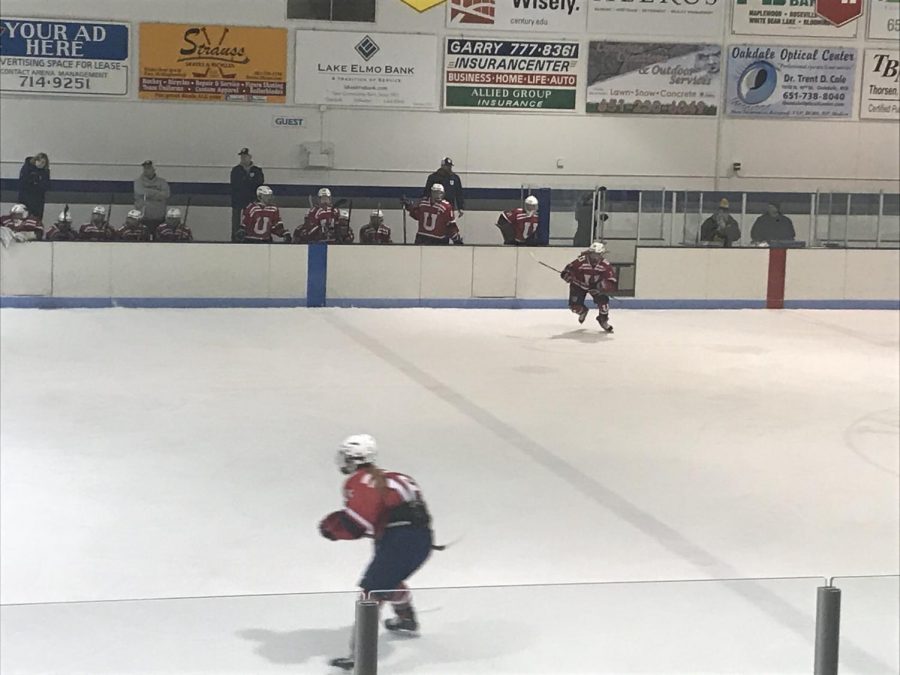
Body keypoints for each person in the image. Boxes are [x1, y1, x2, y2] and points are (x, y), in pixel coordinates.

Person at [319, 435, 434, 671]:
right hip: (422, 539)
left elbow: (355, 526)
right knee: (387, 582)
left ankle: (361, 655)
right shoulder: (400, 477)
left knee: (372, 593)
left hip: (399, 541)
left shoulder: (360, 482)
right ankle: (406, 620)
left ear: (352, 458)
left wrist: (332, 528)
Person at [561, 241, 618, 333]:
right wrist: (566, 275)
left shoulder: (605, 265)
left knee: (604, 303)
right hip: (578, 285)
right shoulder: (581, 261)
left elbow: (611, 279)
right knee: (575, 307)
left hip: (595, 287)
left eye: (597, 254)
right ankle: (583, 311)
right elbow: (568, 269)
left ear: (601, 254)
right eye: (593, 254)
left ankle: (603, 320)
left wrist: (603, 285)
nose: (595, 257)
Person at [230, 148, 265, 243]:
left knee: (251, 222)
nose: (243, 158)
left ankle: (251, 239)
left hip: (252, 202)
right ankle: (235, 240)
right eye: (242, 157)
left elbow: (259, 184)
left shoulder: (257, 170)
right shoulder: (236, 170)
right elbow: (236, 184)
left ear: (250, 157)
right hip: (238, 202)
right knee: (236, 223)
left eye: (245, 156)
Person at [134, 160, 170, 232]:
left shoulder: (162, 182)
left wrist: (149, 194)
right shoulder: (138, 182)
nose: (146, 170)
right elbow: (140, 192)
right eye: (145, 168)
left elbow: (166, 194)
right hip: (143, 218)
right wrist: (157, 193)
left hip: (160, 218)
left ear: (154, 169)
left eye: (149, 168)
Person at [17, 153, 50, 220]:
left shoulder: (45, 172)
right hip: (25, 200)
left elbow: (46, 186)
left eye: (43, 163)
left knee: (36, 220)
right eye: (40, 161)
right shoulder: (27, 168)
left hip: (38, 202)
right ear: (35, 160)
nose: (41, 164)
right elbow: (23, 183)